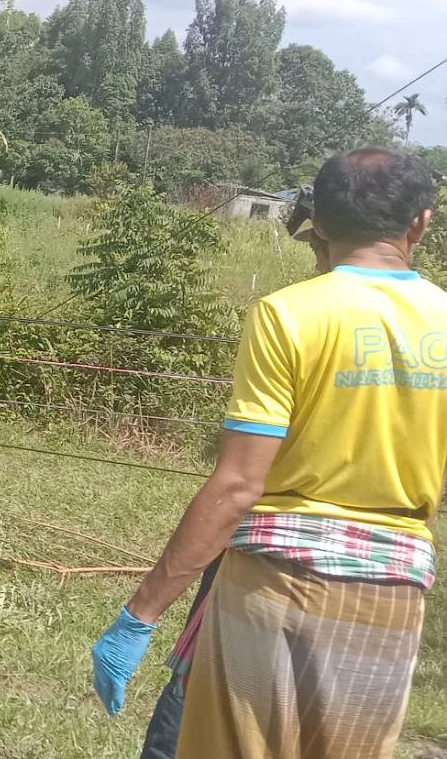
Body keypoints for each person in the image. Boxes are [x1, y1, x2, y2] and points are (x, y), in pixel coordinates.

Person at [92, 149, 447, 759]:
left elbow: (237, 486)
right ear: (422, 223)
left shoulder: (289, 314)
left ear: (321, 225)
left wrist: (139, 616)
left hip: (272, 583)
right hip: (393, 584)